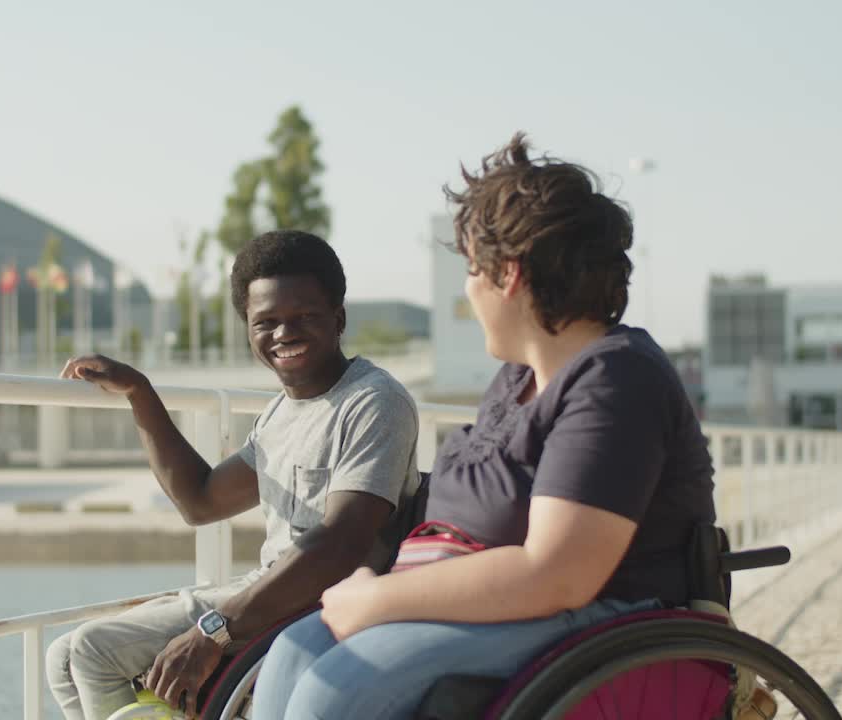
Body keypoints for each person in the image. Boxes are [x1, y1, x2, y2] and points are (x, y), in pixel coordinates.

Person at [252, 134, 717, 720]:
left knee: (338, 690)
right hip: (495, 598)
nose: (470, 291)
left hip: (601, 619)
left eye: (474, 270)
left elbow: (559, 573)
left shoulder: (616, 379)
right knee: (292, 653)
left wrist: (379, 598)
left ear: (511, 275)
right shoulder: (516, 380)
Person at [47, 229, 421, 720]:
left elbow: (341, 544)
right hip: (266, 590)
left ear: (339, 318)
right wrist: (140, 393)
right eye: (266, 322)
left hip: (318, 605)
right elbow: (200, 501)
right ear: (248, 328)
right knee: (61, 657)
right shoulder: (280, 413)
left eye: (304, 316)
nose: (284, 334)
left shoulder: (375, 402)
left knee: (94, 649)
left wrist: (213, 630)